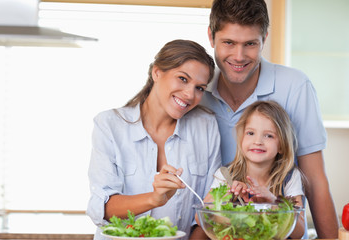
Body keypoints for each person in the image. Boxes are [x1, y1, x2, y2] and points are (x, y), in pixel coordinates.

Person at [200, 0, 338, 238]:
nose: (239, 56)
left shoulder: (295, 86)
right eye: (229, 43)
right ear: (211, 37)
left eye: (250, 44)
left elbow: (314, 179)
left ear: (264, 37)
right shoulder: (196, 90)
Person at [86, 39, 221, 240]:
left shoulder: (206, 126)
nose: (189, 94)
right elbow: (102, 208)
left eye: (200, 88)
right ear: (157, 73)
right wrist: (154, 198)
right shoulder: (110, 125)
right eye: (183, 79)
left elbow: (205, 213)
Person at [202, 100, 305, 239]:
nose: (258, 141)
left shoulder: (289, 177)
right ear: (241, 138)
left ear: (281, 145)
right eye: (250, 133)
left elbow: (299, 232)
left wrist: (274, 203)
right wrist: (221, 199)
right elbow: (201, 220)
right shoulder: (226, 175)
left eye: (269, 135)